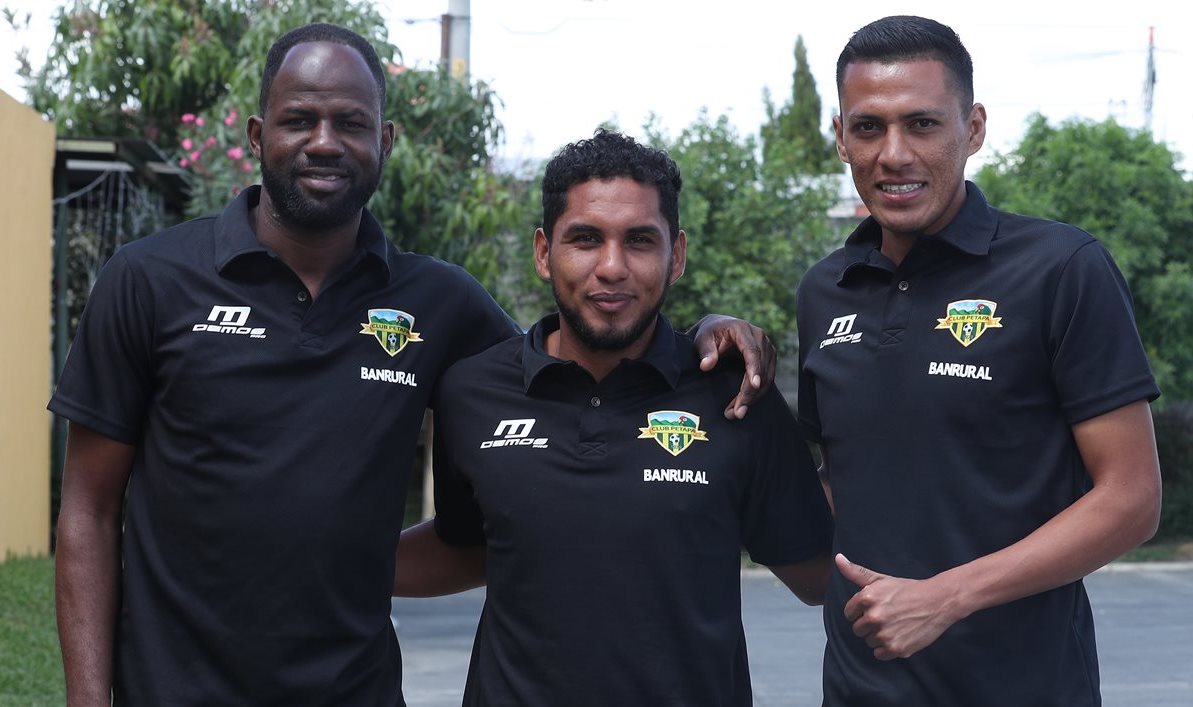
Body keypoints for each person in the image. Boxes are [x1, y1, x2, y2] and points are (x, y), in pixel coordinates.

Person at [50, 24, 775, 706]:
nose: (324, 142)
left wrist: (700, 334)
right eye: (300, 119)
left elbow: (577, 369)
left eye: (351, 122)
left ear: (386, 140)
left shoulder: (440, 302)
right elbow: (88, 510)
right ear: (257, 134)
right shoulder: (149, 280)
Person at [392, 129, 834, 706]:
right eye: (585, 238)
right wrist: (316, 562)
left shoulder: (735, 393)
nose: (612, 267)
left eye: (640, 241)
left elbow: (816, 574)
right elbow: (468, 546)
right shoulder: (471, 392)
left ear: (676, 256)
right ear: (543, 253)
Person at [796, 15, 1163, 706]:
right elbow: (840, 479)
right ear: (840, 137)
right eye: (868, 127)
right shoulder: (823, 291)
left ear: (972, 128)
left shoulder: (1061, 268)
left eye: (922, 124)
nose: (893, 154)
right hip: (856, 690)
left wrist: (945, 596)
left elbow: (1131, 499)